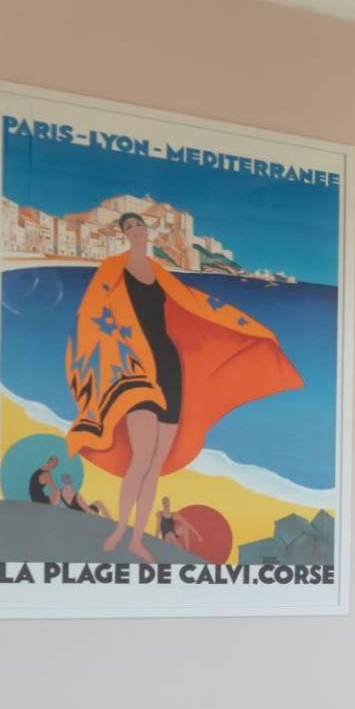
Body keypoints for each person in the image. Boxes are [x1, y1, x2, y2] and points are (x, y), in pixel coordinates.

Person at [64, 210, 302, 558]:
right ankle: (119, 530)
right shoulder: (112, 270)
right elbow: (90, 315)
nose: (136, 231)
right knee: (141, 457)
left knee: (156, 462)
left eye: (139, 225)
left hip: (169, 366)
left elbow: (196, 305)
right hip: (136, 370)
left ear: (146, 230)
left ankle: (136, 538)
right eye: (129, 227)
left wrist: (249, 331)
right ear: (124, 234)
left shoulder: (160, 272)